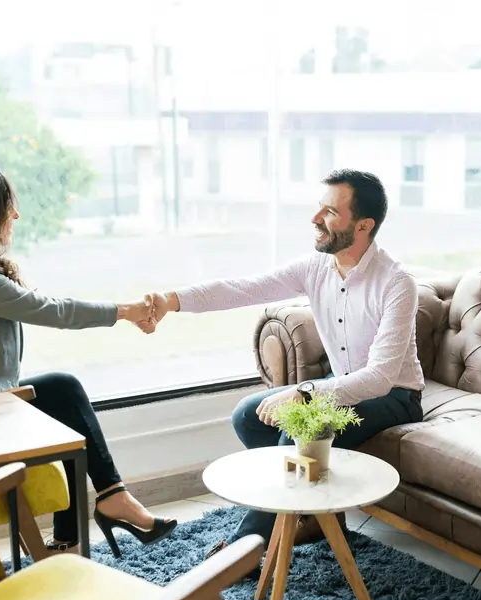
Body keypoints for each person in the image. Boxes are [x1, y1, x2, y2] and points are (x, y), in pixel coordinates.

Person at [143, 169, 425, 557]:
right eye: (318, 209)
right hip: (344, 384)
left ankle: (249, 548)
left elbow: (378, 379)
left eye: (329, 212)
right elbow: (242, 288)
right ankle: (311, 518)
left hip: (395, 395)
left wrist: (303, 392)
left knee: (299, 429)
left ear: (363, 225)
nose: (315, 220)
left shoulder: (396, 282)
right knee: (248, 415)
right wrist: (172, 300)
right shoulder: (315, 268)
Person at [0, 162, 177, 556]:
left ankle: (85, 522)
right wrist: (128, 310)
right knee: (62, 391)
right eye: (7, 205)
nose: (15, 215)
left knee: (59, 399)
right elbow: (54, 310)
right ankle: (111, 502)